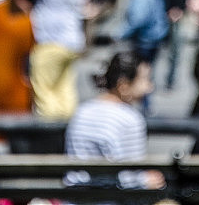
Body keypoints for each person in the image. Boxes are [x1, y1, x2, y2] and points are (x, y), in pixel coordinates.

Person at [66, 50, 165, 190]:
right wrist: (146, 181)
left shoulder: (81, 111)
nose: (150, 87)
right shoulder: (130, 119)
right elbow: (130, 177)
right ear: (123, 86)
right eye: (144, 80)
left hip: (75, 198)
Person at [13, 0, 86, 119]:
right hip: (72, 39)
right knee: (64, 90)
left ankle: (49, 135)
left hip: (51, 38)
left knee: (44, 89)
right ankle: (66, 131)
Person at [118, 0, 170, 64]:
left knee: (142, 73)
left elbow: (138, 19)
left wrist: (119, 34)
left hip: (144, 39)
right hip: (155, 38)